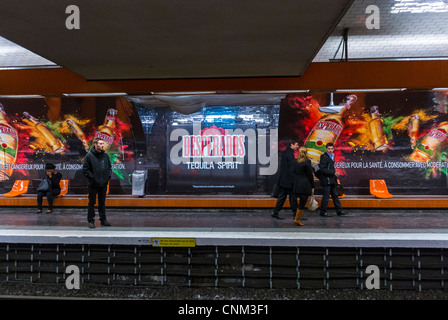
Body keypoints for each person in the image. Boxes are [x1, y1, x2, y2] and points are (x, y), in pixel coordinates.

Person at [83, 137, 112, 228]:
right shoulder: (89, 156)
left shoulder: (105, 156)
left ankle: (103, 220)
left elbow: (109, 168)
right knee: (92, 202)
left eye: (103, 144)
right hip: (93, 184)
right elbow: (85, 170)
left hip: (103, 184)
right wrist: (93, 178)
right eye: (100, 143)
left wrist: (107, 178)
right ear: (95, 145)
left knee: (102, 203)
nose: (102, 145)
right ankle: (91, 221)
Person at [271, 139, 300, 219]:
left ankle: (276, 212)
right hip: (289, 180)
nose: (297, 147)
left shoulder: (286, 152)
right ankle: (296, 214)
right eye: (296, 145)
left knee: (283, 196)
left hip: (284, 180)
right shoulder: (290, 154)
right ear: (292, 145)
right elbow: (291, 167)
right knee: (292, 197)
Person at [318, 143, 348, 217]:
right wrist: (334, 173)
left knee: (335, 195)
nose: (330, 150)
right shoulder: (324, 157)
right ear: (326, 149)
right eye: (329, 149)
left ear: (333, 149)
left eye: (331, 149)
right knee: (326, 196)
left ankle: (339, 211)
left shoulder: (332, 156)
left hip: (332, 180)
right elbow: (322, 169)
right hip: (327, 180)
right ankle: (323, 212)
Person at [292, 147, 315, 226]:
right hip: (305, 184)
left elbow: (294, 172)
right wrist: (312, 185)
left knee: (300, 202)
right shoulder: (307, 162)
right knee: (302, 202)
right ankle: (297, 219)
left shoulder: (295, 161)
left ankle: (297, 219)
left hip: (297, 184)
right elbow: (310, 175)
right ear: (306, 152)